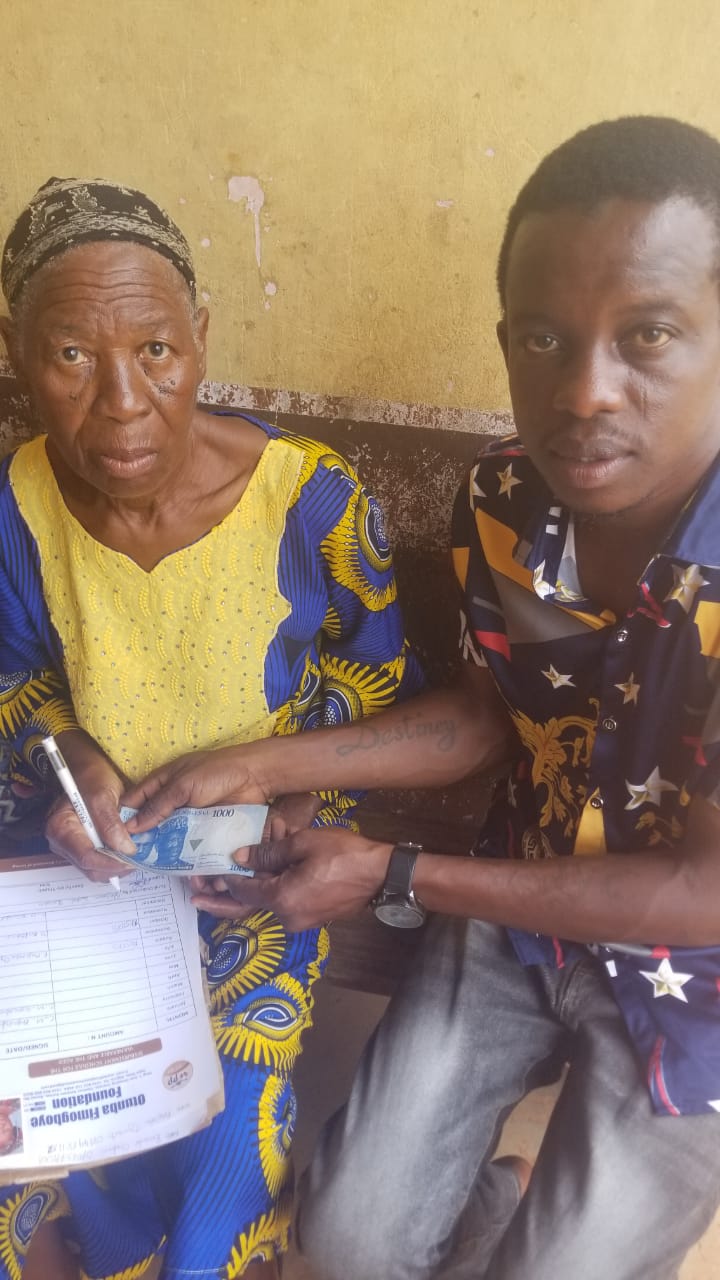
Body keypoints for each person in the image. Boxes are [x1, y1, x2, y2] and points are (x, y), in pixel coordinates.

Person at [124, 116, 720, 1280]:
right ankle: (497, 1201)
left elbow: (703, 890)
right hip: (519, 901)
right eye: (544, 338)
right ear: (504, 342)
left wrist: (393, 872)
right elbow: (493, 712)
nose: (587, 391)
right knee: (345, 1241)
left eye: (649, 335)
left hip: (693, 978)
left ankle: (523, 1215)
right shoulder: (504, 496)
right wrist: (265, 765)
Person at [0, 177, 420, 1279]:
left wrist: (281, 795)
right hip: (82, 886)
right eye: (72, 356)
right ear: (17, 352)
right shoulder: (16, 500)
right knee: (32, 1159)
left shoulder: (312, 504)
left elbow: (376, 683)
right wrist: (70, 765)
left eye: (155, 349)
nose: (125, 403)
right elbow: (10, 680)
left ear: (203, 339)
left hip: (256, 887)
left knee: (213, 1217)